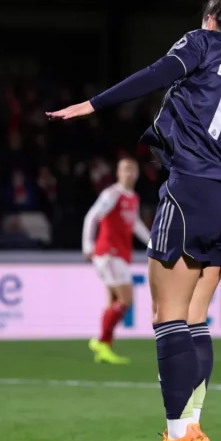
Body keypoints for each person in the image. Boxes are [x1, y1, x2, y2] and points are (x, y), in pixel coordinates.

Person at [47, 0, 221, 441]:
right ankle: (190, 424)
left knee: (166, 315)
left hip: (189, 186)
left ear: (211, 18)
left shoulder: (201, 41)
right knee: (195, 316)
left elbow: (156, 73)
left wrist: (92, 103)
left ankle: (176, 435)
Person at [82, 156, 151, 364]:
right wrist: (87, 245)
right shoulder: (112, 194)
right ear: (118, 173)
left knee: (113, 302)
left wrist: (151, 242)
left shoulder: (133, 198)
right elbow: (91, 216)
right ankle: (101, 340)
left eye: (132, 169)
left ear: (137, 173)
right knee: (126, 299)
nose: (129, 173)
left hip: (120, 254)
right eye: (125, 169)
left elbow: (135, 223)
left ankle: (105, 349)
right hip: (108, 253)